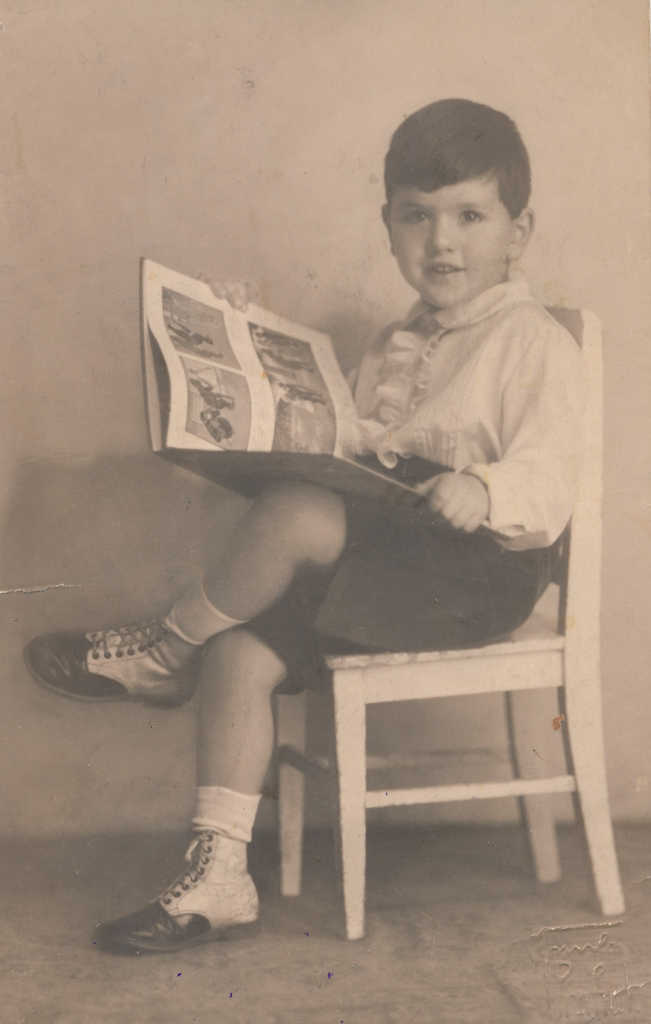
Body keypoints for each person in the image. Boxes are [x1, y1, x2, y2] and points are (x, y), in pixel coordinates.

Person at [24, 98, 586, 955]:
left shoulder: (532, 341)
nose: (441, 242)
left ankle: (163, 653)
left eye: (469, 217)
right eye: (416, 217)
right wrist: (240, 335)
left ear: (519, 231)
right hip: (391, 558)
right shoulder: (395, 342)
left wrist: (484, 486)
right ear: (387, 226)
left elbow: (551, 476)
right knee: (239, 650)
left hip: (479, 571)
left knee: (296, 513)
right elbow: (349, 445)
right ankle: (219, 875)